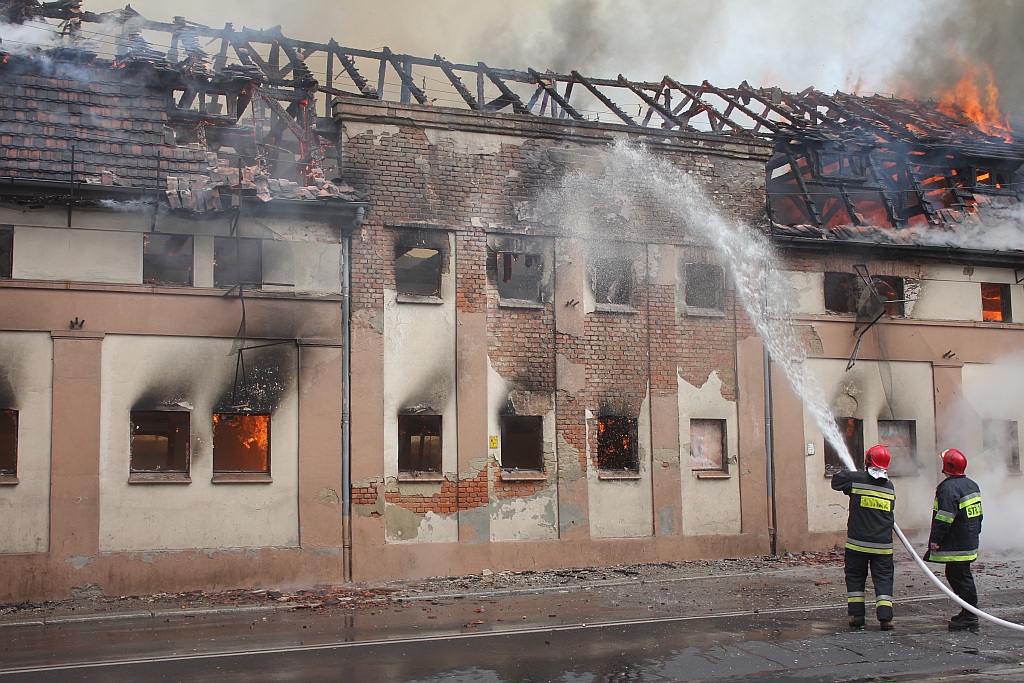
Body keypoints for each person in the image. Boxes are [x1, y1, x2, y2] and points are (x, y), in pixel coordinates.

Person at [831, 444, 896, 631]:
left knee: (855, 578)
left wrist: (853, 475)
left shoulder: (856, 480)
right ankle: (886, 618)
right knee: (883, 579)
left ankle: (857, 616)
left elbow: (837, 481)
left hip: (857, 545)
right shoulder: (889, 487)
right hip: (883, 546)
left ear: (868, 461)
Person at [925, 448, 983, 632]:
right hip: (968, 540)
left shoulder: (949, 488)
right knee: (957, 574)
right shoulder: (972, 485)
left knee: (961, 577)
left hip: (957, 542)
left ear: (947, 466)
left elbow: (944, 517)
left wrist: (935, 539)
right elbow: (978, 515)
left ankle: (971, 616)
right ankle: (967, 611)